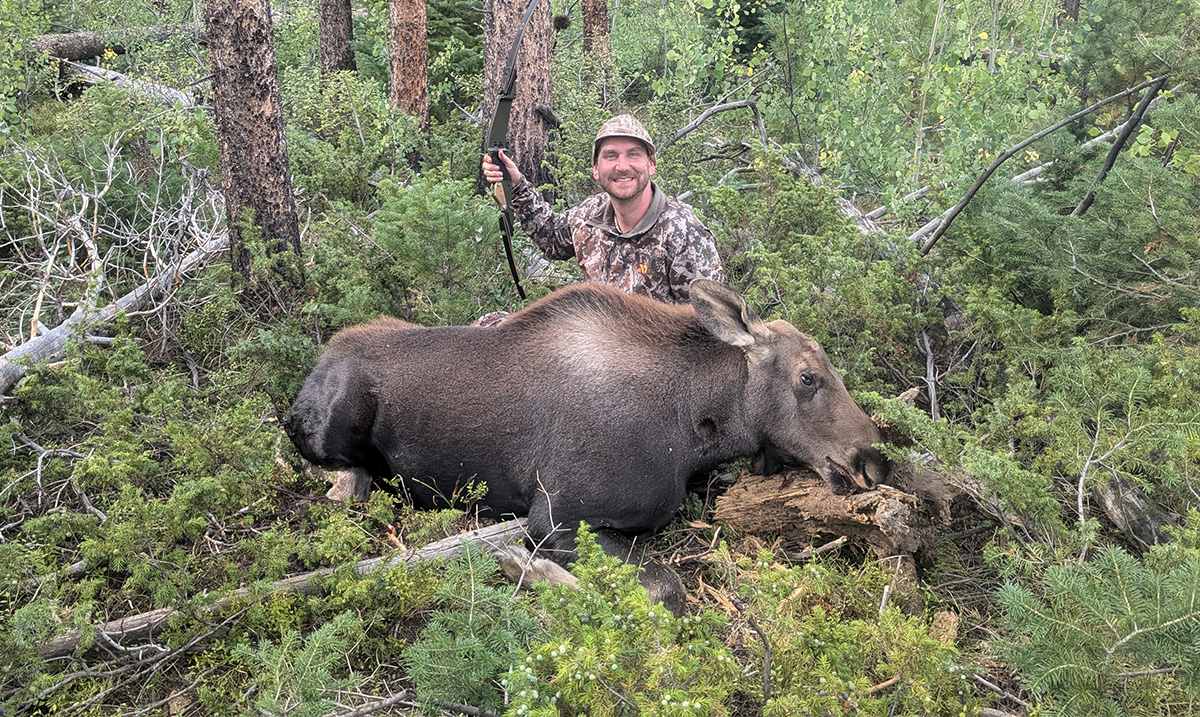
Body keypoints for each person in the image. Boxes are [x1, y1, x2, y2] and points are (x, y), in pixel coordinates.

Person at [482, 114, 725, 305]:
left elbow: (710, 328)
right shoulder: (590, 214)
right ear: (596, 169)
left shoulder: (685, 235)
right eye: (610, 156)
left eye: (633, 155)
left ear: (650, 165)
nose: (622, 166)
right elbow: (551, 237)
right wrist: (516, 184)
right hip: (591, 352)